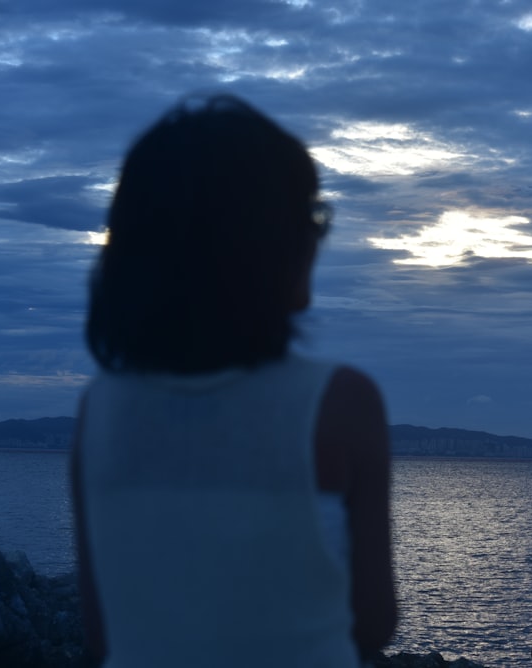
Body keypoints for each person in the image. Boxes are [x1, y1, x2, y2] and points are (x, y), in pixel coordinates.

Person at [71, 94, 396, 667]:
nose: (320, 236)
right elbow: (373, 622)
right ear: (267, 246)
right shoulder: (340, 405)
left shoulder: (98, 414)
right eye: (313, 217)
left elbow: (103, 635)